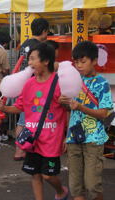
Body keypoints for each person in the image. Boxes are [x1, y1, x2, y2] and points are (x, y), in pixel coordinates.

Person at [0, 43, 68, 200]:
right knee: (35, 174)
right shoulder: (28, 83)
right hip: (32, 138)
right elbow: (20, 106)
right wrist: (4, 109)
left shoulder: (59, 83)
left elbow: (67, 111)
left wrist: (66, 136)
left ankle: (61, 191)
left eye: (33, 59)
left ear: (46, 61)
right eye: (29, 59)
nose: (29, 63)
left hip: (51, 139)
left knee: (48, 176)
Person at [60, 41, 113, 200]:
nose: (79, 66)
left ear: (94, 61)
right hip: (73, 137)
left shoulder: (102, 83)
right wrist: (64, 103)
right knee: (75, 186)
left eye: (83, 62)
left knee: (92, 185)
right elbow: (70, 109)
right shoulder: (73, 79)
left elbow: (104, 113)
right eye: (76, 62)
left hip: (93, 138)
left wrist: (80, 107)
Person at [14, 18, 49, 161]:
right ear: (44, 31)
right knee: (25, 119)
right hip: (32, 86)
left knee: (23, 117)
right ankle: (19, 149)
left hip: (21, 84)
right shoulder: (39, 47)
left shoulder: (25, 44)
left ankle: (20, 148)